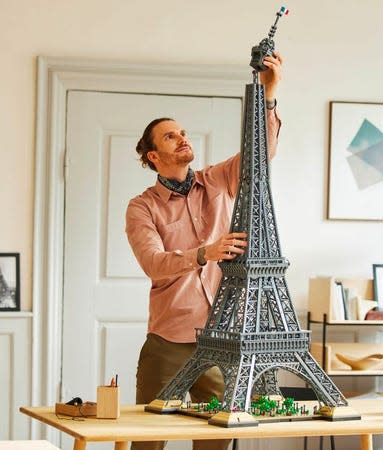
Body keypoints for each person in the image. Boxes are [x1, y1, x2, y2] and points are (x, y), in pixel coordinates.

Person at [125, 51, 284, 450]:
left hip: (221, 338)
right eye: (171, 136)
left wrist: (269, 94)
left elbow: (259, 157)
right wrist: (204, 252)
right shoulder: (142, 207)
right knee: (147, 441)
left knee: (216, 443)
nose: (183, 138)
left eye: (183, 132)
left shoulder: (218, 180)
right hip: (168, 342)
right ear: (153, 156)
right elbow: (154, 264)